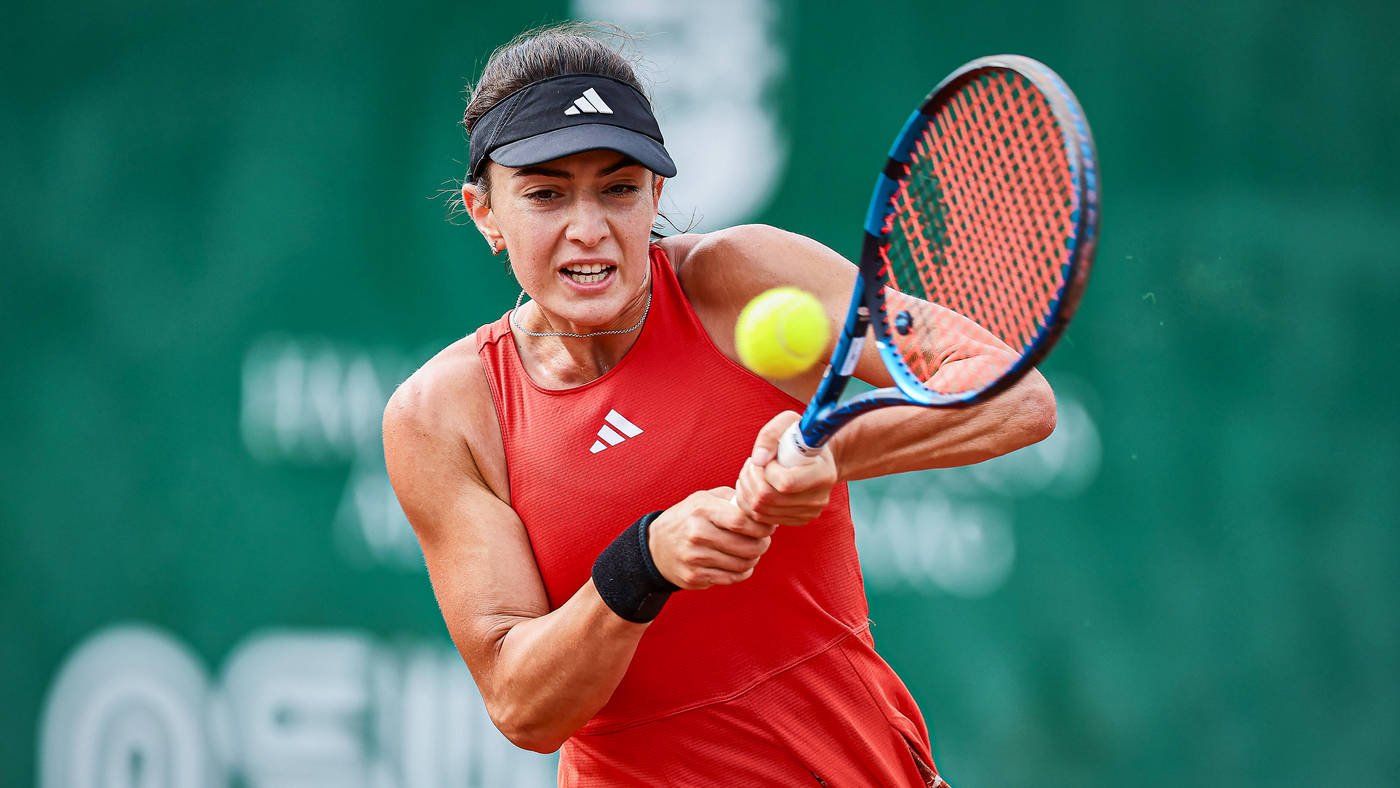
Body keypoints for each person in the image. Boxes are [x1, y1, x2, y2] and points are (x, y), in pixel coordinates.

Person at [383, 22, 1055, 787]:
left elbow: (1016, 397)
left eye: (618, 188)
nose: (588, 229)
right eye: (545, 195)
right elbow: (522, 707)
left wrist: (828, 451)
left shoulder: (743, 277)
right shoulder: (445, 413)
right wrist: (644, 565)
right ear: (485, 212)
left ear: (656, 194)